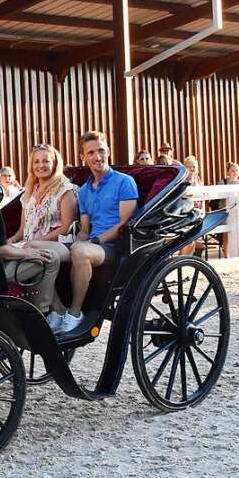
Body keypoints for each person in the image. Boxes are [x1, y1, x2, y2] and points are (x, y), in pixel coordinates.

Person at [67, 131, 139, 335]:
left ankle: (74, 313)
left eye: (101, 151)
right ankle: (55, 310)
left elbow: (124, 225)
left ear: (108, 151)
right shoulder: (84, 190)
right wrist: (76, 241)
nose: (97, 157)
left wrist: (94, 241)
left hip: (116, 247)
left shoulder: (124, 182)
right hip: (91, 243)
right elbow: (85, 229)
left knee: (80, 252)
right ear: (83, 157)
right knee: (48, 251)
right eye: (91, 152)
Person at [4, 144, 78, 329]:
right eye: (36, 161)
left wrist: (35, 243)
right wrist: (9, 242)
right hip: (28, 244)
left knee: (31, 258)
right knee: (4, 254)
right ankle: (58, 309)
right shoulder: (29, 192)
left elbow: (65, 228)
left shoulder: (65, 190)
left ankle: (43, 310)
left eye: (46, 160)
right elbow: (22, 230)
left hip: (60, 244)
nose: (41, 165)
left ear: (54, 163)